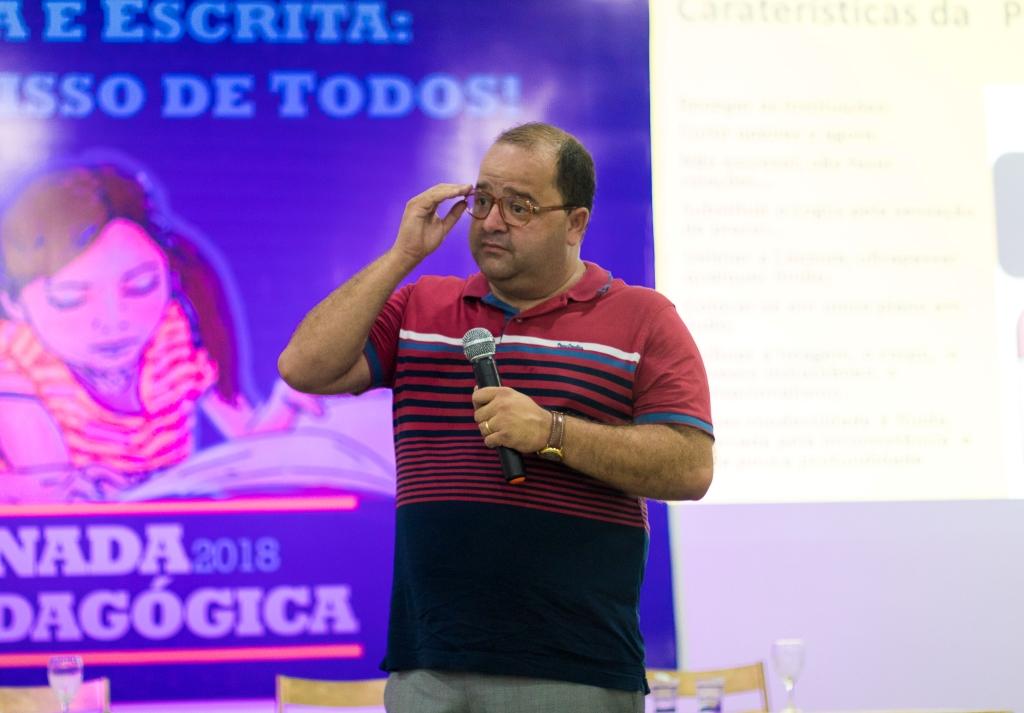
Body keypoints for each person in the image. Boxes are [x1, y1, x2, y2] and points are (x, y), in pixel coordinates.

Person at [278, 122, 714, 713]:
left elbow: (690, 467)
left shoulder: (643, 318)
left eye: (520, 206)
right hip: (429, 663)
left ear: (576, 223)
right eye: (483, 200)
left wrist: (552, 433)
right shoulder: (423, 306)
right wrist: (403, 255)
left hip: (572, 668)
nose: (492, 221)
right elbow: (304, 368)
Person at [0, 162, 320, 502]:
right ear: (13, 303)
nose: (114, 321)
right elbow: (51, 495)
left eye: (141, 285)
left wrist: (288, 404)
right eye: (71, 298)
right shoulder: (14, 365)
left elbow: (250, 449)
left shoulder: (174, 336)